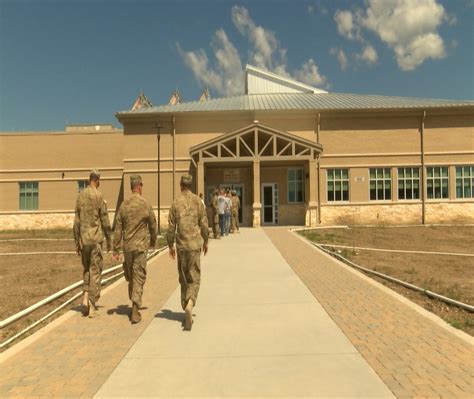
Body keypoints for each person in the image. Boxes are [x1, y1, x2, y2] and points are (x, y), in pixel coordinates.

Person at [112, 175, 157, 324]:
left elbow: (117, 228)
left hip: (128, 248)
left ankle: (133, 301)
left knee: (132, 276)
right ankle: (135, 307)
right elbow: (153, 224)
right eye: (141, 186)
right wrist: (153, 241)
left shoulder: (123, 205)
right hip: (140, 247)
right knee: (138, 276)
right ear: (138, 186)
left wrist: (116, 249)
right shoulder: (145, 203)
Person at [167, 174, 209, 331]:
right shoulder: (198, 202)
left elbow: (171, 227)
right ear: (191, 185)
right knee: (195, 278)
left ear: (180, 185)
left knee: (184, 278)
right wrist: (206, 241)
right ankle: (190, 303)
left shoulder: (176, 202)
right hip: (194, 247)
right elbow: (204, 224)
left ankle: (185, 305)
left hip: (181, 247)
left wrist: (170, 246)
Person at [73, 169, 112, 318]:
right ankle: (93, 306)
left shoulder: (80, 196)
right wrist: (109, 240)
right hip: (95, 240)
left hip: (84, 241)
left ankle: (85, 296)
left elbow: (76, 221)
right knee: (95, 271)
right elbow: (105, 220)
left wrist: (76, 241)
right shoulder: (99, 196)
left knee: (87, 269)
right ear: (97, 181)